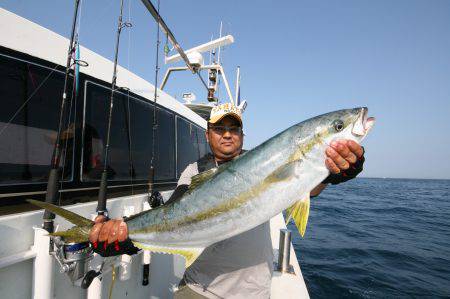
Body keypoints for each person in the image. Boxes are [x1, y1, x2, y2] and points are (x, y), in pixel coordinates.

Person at [88, 103, 365, 298]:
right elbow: (172, 218)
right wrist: (125, 237)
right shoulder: (194, 172)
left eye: (234, 128)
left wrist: (333, 174)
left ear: (242, 135)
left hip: (252, 293)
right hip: (198, 289)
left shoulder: (265, 162)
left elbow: (307, 186)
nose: (228, 134)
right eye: (220, 129)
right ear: (208, 135)